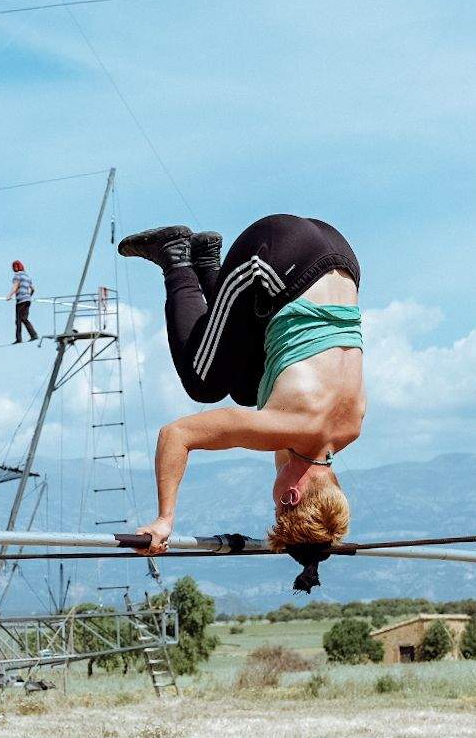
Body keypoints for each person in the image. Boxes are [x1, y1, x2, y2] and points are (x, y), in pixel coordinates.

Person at [117, 216, 364, 590]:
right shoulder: (290, 426)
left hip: (338, 255)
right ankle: (175, 257)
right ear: (291, 495)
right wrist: (164, 520)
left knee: (247, 389)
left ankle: (204, 258)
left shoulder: (347, 430)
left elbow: (297, 457)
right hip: (279, 252)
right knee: (203, 381)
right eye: (279, 505)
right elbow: (176, 435)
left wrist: (315, 548)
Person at [7, 260, 38, 343]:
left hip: (21, 301)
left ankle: (18, 339)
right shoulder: (27, 276)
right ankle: (34, 335)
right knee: (24, 318)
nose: (13, 268)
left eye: (14, 267)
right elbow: (33, 289)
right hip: (27, 300)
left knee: (18, 320)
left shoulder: (17, 275)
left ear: (17, 267)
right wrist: (28, 296)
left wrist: (9, 295)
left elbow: (15, 286)